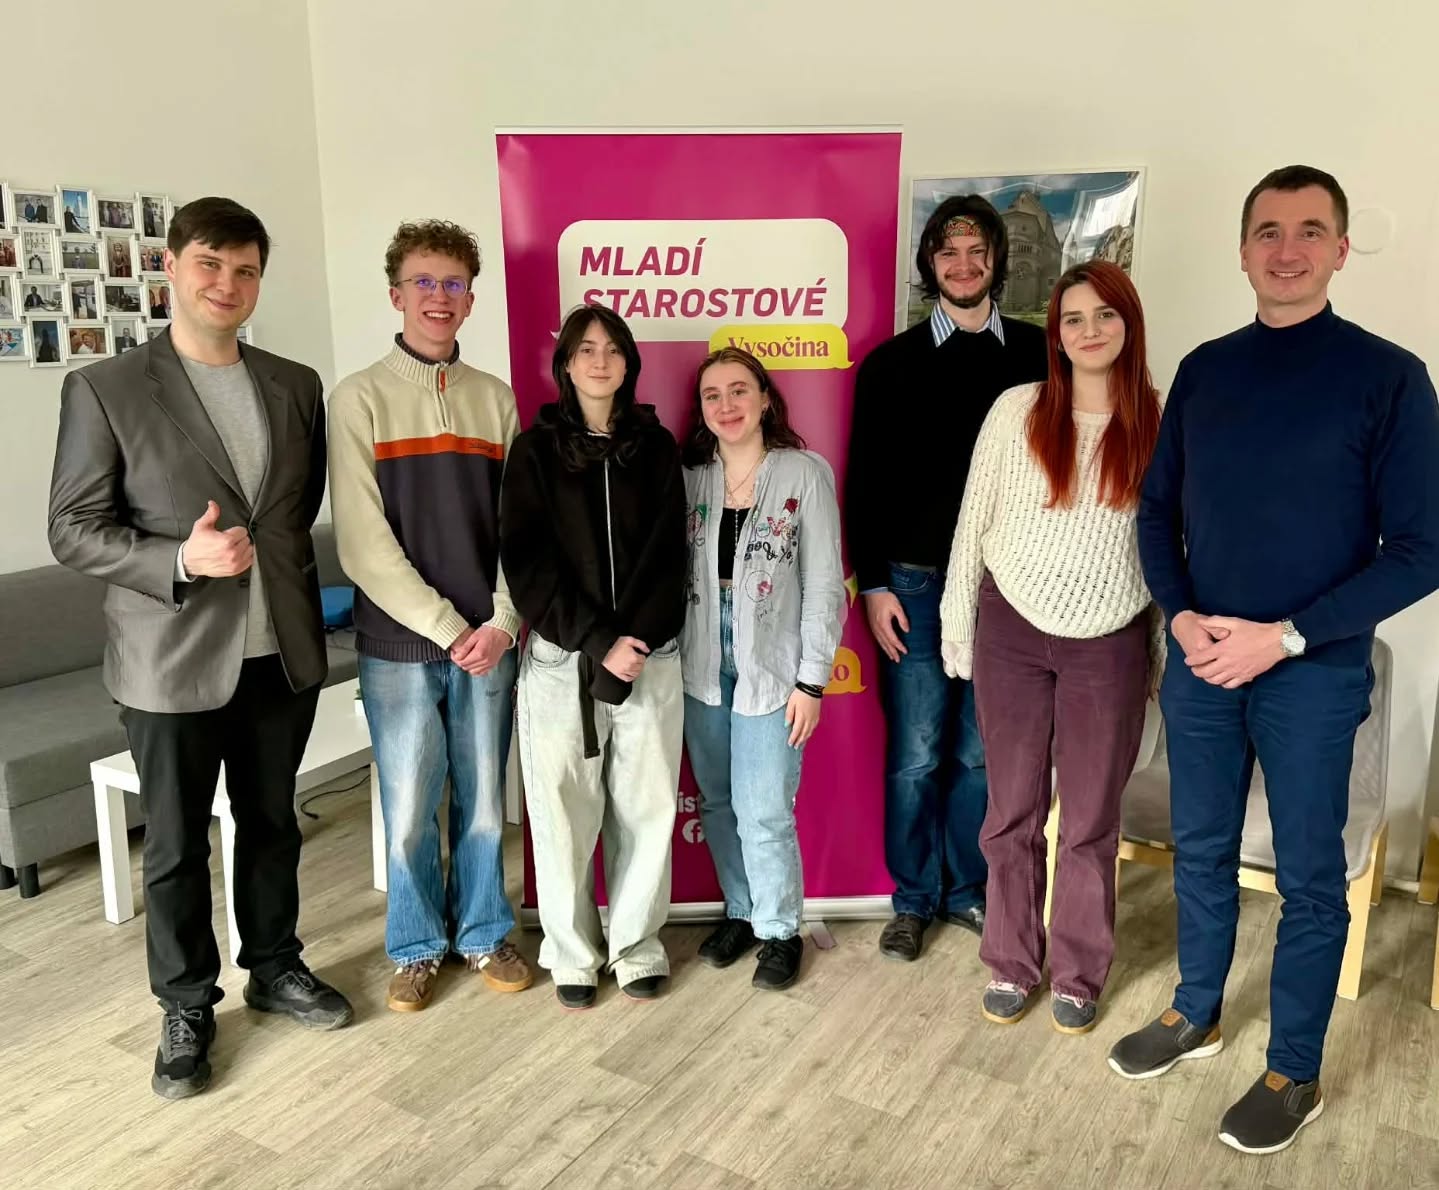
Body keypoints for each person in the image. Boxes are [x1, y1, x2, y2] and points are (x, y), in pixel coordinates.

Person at [1109, 165, 1439, 1155]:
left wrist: (1286, 635)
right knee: (1200, 848)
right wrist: (1178, 617)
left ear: (1339, 249)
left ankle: (1293, 1070)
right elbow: (1157, 511)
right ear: (1242, 249)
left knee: (1307, 875)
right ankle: (1194, 1011)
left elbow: (1420, 548)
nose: (1285, 249)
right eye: (1266, 230)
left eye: (1307, 231)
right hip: (1202, 662)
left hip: (1311, 671)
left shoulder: (1388, 377)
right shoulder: (1206, 370)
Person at [48, 196, 352, 1103]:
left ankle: (275, 965)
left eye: (246, 269)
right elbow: (73, 528)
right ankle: (185, 1005)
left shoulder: (295, 384)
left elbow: (291, 513)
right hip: (169, 661)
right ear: (172, 267)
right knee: (177, 846)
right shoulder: (106, 387)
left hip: (279, 653)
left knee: (271, 824)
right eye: (211, 263)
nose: (228, 283)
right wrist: (180, 558)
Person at [940, 260, 1162, 1033]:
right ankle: (1010, 960)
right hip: (1010, 628)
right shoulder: (1017, 410)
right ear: (1055, 334)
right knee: (1011, 811)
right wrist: (956, 622)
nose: (1088, 330)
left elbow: (1171, 546)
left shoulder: (1160, 422)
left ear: (1128, 324)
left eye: (1104, 315)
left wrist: (1157, 650)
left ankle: (1076, 972)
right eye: (1072, 318)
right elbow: (973, 521)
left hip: (1110, 639)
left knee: (1091, 819)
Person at [328, 220, 532, 1012]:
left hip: (489, 641)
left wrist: (504, 620)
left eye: (452, 284)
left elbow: (520, 527)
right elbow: (362, 543)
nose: (438, 297)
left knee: (483, 805)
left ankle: (483, 932)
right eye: (423, 282)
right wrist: (450, 628)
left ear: (470, 299)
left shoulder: (494, 399)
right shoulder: (358, 399)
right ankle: (415, 948)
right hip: (400, 647)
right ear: (396, 295)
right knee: (410, 808)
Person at [846, 194, 1048, 962]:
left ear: (996, 260)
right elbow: (863, 483)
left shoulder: (1038, 356)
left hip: (1006, 587)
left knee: (979, 753)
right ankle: (912, 899)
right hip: (915, 585)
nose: (962, 266)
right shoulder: (890, 365)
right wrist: (873, 586)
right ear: (929, 265)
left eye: (976, 252)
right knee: (917, 753)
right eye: (947, 254)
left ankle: (966, 890)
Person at [500, 303, 687, 1010]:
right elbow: (527, 562)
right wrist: (596, 640)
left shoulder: (657, 447)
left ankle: (636, 947)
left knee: (647, 807)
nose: (600, 360)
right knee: (562, 814)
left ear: (629, 361)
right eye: (586, 349)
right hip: (563, 660)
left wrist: (632, 639)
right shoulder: (534, 451)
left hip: (648, 656)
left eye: (612, 348)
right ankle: (572, 952)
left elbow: (670, 555)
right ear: (566, 365)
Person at [679, 347, 846, 991]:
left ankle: (779, 930)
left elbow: (825, 583)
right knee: (718, 800)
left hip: (772, 664)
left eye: (739, 390)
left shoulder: (803, 473)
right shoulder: (691, 478)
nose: (727, 405)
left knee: (764, 806)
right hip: (700, 660)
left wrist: (811, 680)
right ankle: (743, 912)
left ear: (765, 398)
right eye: (712, 395)